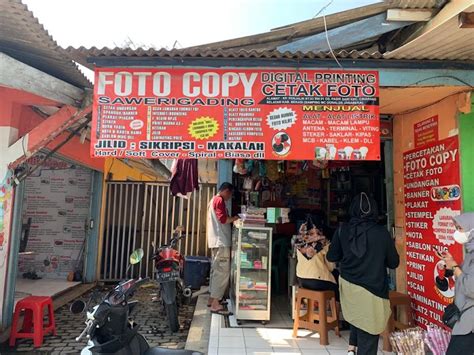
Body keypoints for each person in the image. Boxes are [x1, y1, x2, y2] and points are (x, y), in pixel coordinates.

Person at [327, 193, 399, 355]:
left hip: (349, 288)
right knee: (369, 336)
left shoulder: (342, 230)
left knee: (357, 321)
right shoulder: (382, 233)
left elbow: (332, 256)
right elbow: (394, 263)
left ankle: (354, 348)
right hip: (374, 290)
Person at [443, 213, 474, 354]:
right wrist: (451, 265)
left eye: (460, 228)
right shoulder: (470, 252)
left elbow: (471, 289)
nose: (457, 233)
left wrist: (454, 266)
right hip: (465, 318)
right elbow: (463, 277)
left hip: (470, 323)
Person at [206, 182, 238, 315]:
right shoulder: (219, 200)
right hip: (221, 241)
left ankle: (212, 298)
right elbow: (223, 219)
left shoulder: (213, 200)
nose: (230, 197)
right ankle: (215, 304)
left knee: (215, 270)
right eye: (230, 193)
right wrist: (235, 218)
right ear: (225, 191)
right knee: (222, 272)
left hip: (216, 241)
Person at [295, 216, 339, 299]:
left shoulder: (299, 242)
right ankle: (334, 310)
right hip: (318, 280)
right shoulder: (324, 243)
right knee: (337, 288)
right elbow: (331, 267)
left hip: (301, 279)